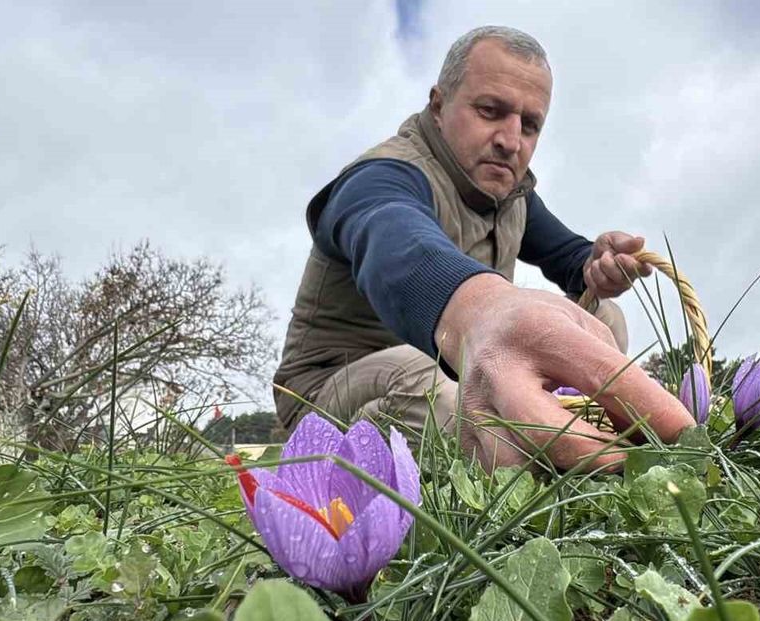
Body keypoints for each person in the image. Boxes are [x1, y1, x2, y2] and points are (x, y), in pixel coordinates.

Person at [274, 25, 692, 470]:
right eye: (491, 111)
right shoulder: (381, 177)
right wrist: (486, 310)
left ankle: (572, 434)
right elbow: (393, 237)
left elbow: (570, 258)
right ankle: (547, 467)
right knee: (428, 381)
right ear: (438, 105)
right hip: (328, 389)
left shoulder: (513, 198)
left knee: (603, 315)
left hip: (456, 368)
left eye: (529, 125)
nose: (511, 141)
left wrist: (598, 262)